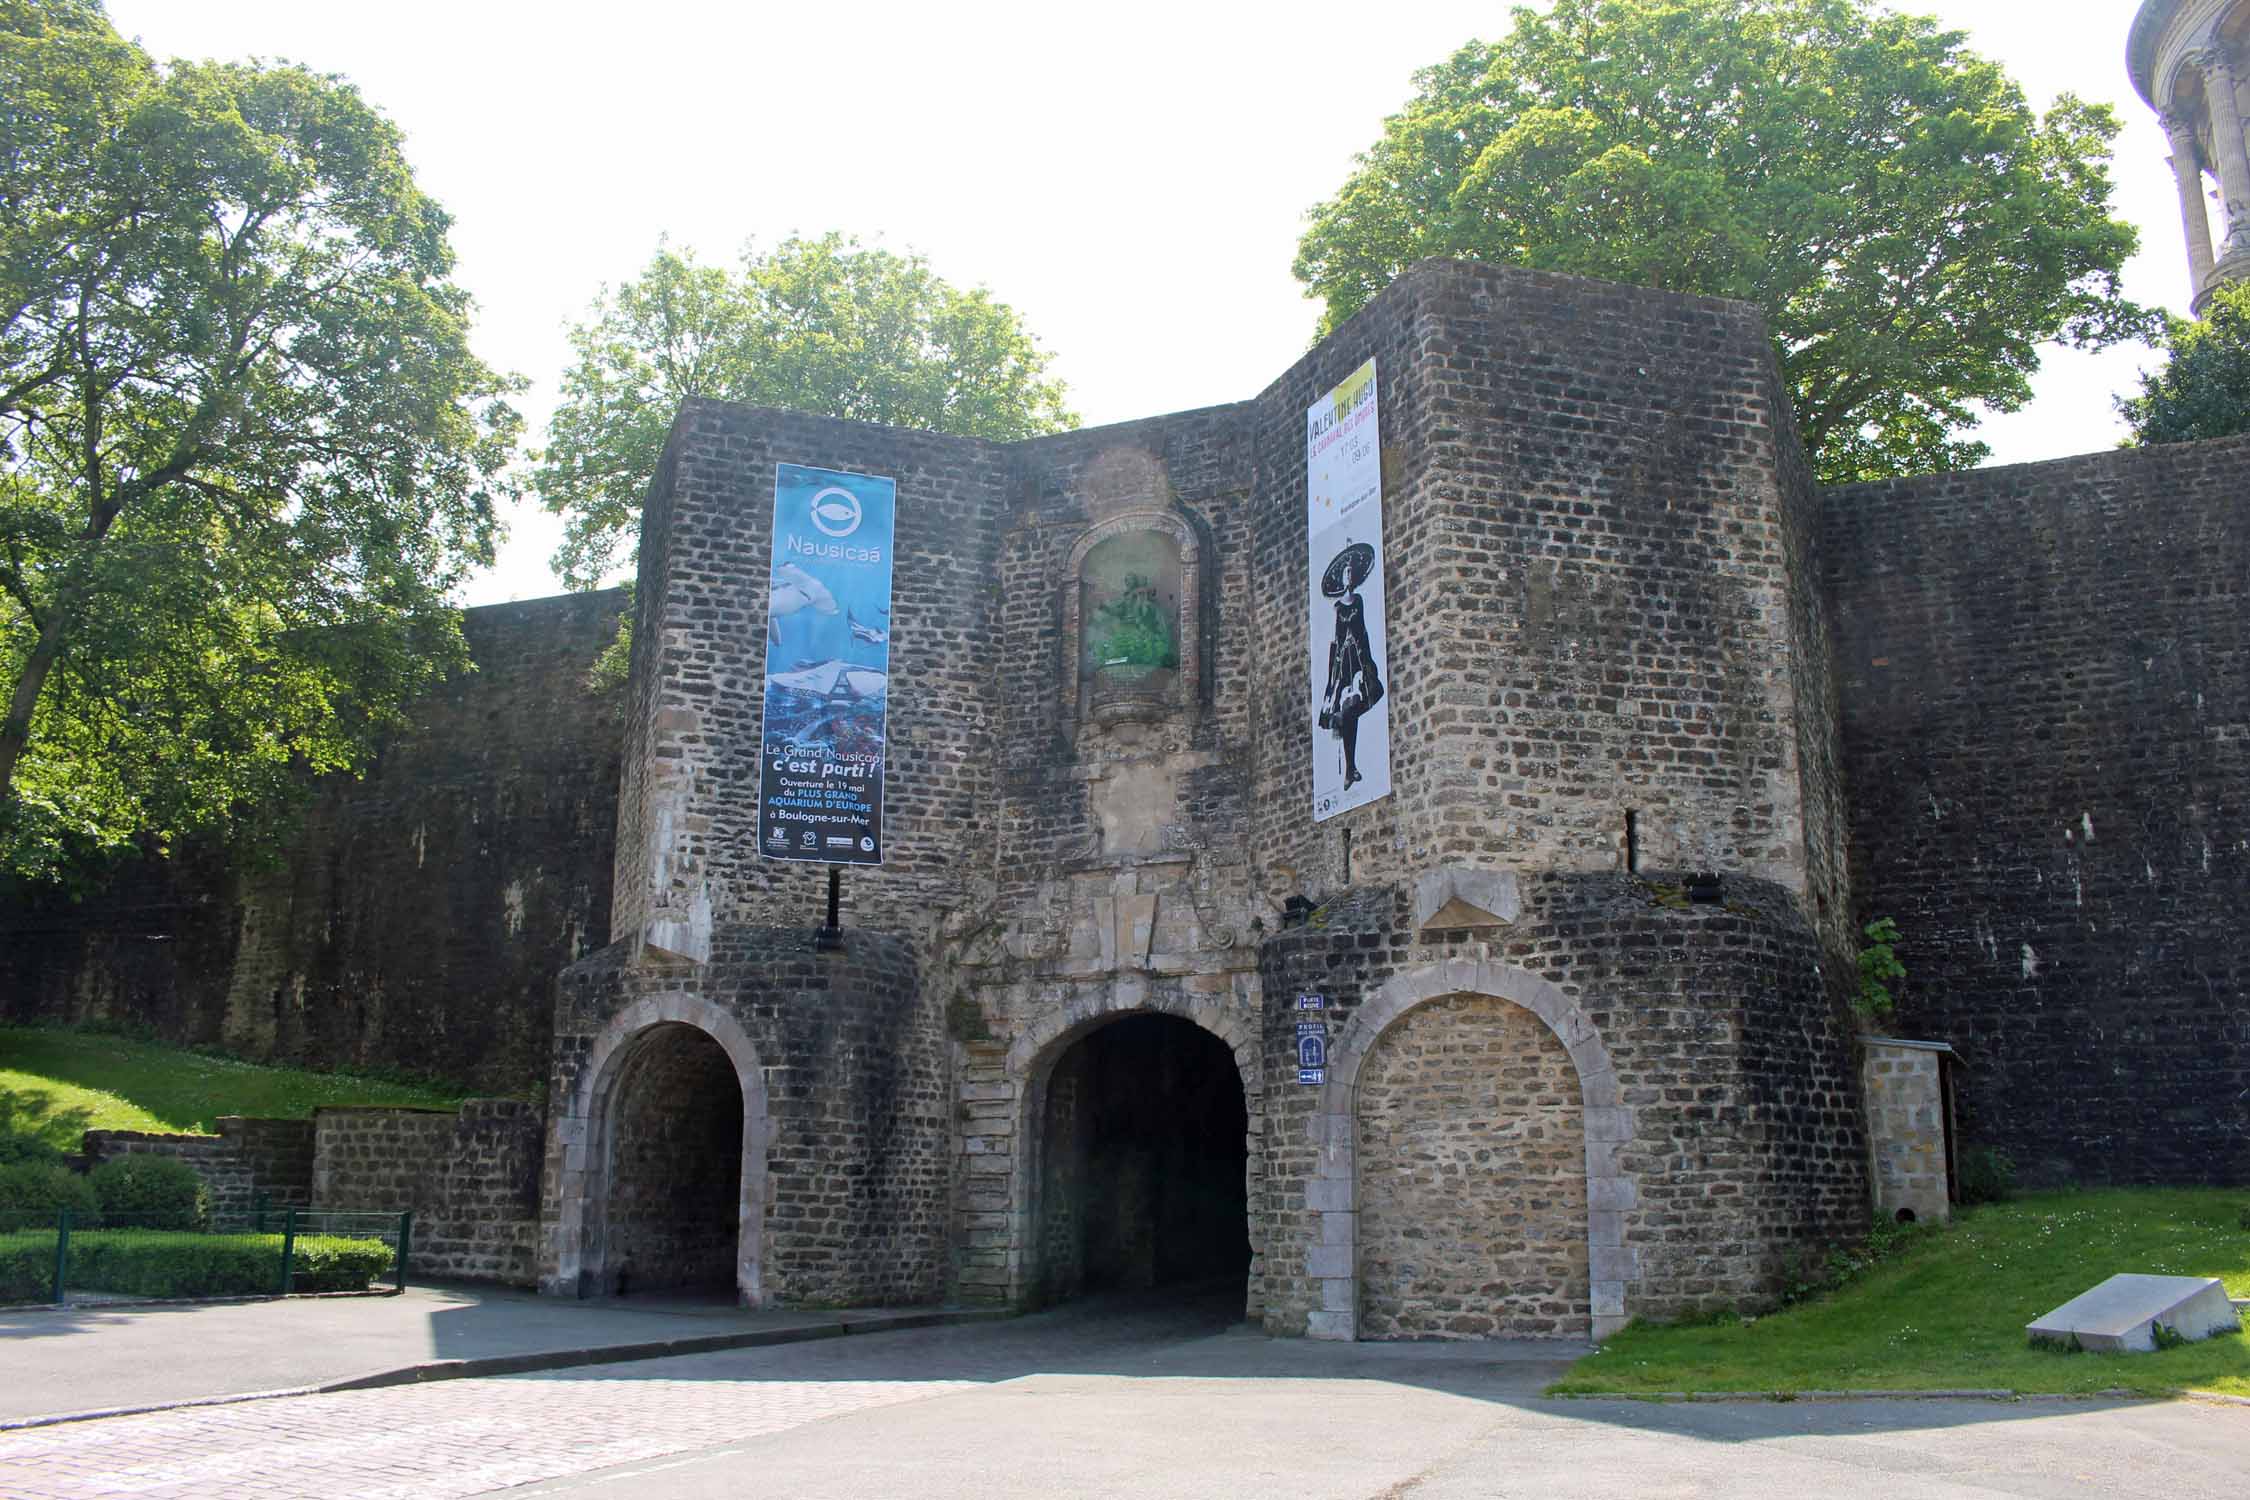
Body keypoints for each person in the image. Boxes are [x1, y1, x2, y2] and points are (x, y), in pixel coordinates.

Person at [1318, 541, 1383, 787]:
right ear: (1341, 578)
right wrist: (1330, 678)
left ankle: (1351, 767)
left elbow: (1363, 631)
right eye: (1345, 573)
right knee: (1345, 713)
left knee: (1356, 708)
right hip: (1341, 665)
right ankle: (1350, 768)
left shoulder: (1359, 601)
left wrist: (1368, 661)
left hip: (1357, 660)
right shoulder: (1336, 608)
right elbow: (1334, 640)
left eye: (1351, 573)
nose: (1349, 576)